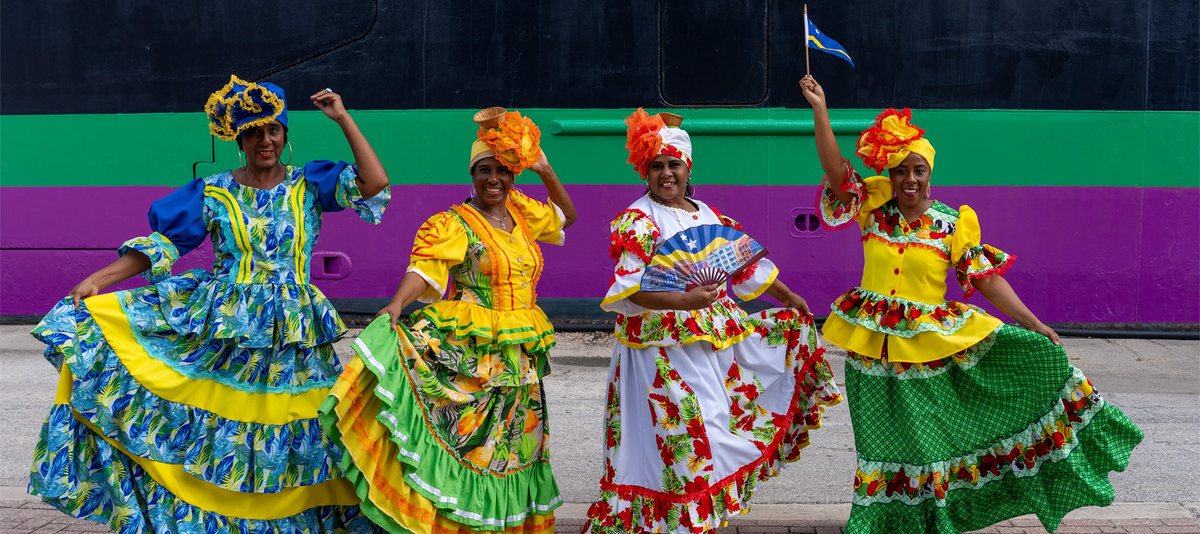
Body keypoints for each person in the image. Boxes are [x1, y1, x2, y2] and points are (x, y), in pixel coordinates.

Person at [28, 75, 391, 532]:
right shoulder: (212, 192)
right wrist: (97, 279)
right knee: (223, 427)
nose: (265, 141)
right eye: (255, 132)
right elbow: (161, 246)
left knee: (302, 426)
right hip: (226, 322)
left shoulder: (310, 184)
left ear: (285, 136)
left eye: (273, 130)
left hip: (294, 328)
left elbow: (375, 182)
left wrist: (342, 118)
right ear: (240, 139)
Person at [799, 75, 1143, 533]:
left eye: (918, 170)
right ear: (891, 174)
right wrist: (820, 109)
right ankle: (878, 522)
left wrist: (1034, 323)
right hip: (869, 349)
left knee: (923, 444)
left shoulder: (951, 224)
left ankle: (936, 519)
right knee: (876, 446)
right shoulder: (872, 206)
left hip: (927, 351)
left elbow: (986, 281)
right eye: (901, 169)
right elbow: (835, 168)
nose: (909, 179)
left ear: (930, 174)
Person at [582, 109, 843, 534]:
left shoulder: (707, 216)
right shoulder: (638, 221)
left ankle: (698, 521)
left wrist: (789, 297)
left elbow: (746, 267)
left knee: (717, 426)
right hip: (658, 353)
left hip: (712, 344)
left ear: (689, 168)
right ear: (645, 172)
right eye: (657, 167)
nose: (666, 174)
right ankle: (676, 522)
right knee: (684, 435)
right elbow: (628, 292)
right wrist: (683, 300)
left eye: (674, 165)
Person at [318, 108, 577, 533]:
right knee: (472, 446)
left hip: (522, 360)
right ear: (471, 174)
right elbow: (424, 270)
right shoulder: (454, 223)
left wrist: (544, 168)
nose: (494, 179)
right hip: (474, 354)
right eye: (484, 170)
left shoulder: (523, 214)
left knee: (513, 448)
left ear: (515, 175)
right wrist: (397, 305)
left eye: (503, 171)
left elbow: (567, 217)